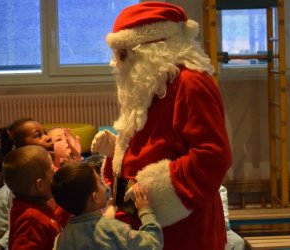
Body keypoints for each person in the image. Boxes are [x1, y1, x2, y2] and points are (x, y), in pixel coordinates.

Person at [91, 2, 232, 249]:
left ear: (150, 50)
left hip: (181, 228)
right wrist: (117, 153)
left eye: (123, 53)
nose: (116, 63)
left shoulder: (190, 84)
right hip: (146, 223)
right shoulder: (151, 83)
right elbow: (154, 142)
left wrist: (148, 190)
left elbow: (213, 158)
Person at [51, 161, 163, 250]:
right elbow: (153, 243)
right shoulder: (115, 230)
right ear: (95, 197)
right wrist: (145, 210)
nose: (105, 187)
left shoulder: (60, 240)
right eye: (100, 183)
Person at [3, 145, 65, 250]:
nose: (56, 172)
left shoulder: (36, 208)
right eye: (52, 171)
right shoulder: (31, 219)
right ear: (40, 185)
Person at [0, 118, 81, 167]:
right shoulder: (31, 173)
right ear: (21, 148)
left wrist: (76, 157)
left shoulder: (47, 168)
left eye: (44, 133)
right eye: (38, 135)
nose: (48, 138)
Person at [219, 186, 245, 250]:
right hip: (196, 230)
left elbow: (224, 219)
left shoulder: (220, 189)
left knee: (238, 242)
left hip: (218, 229)